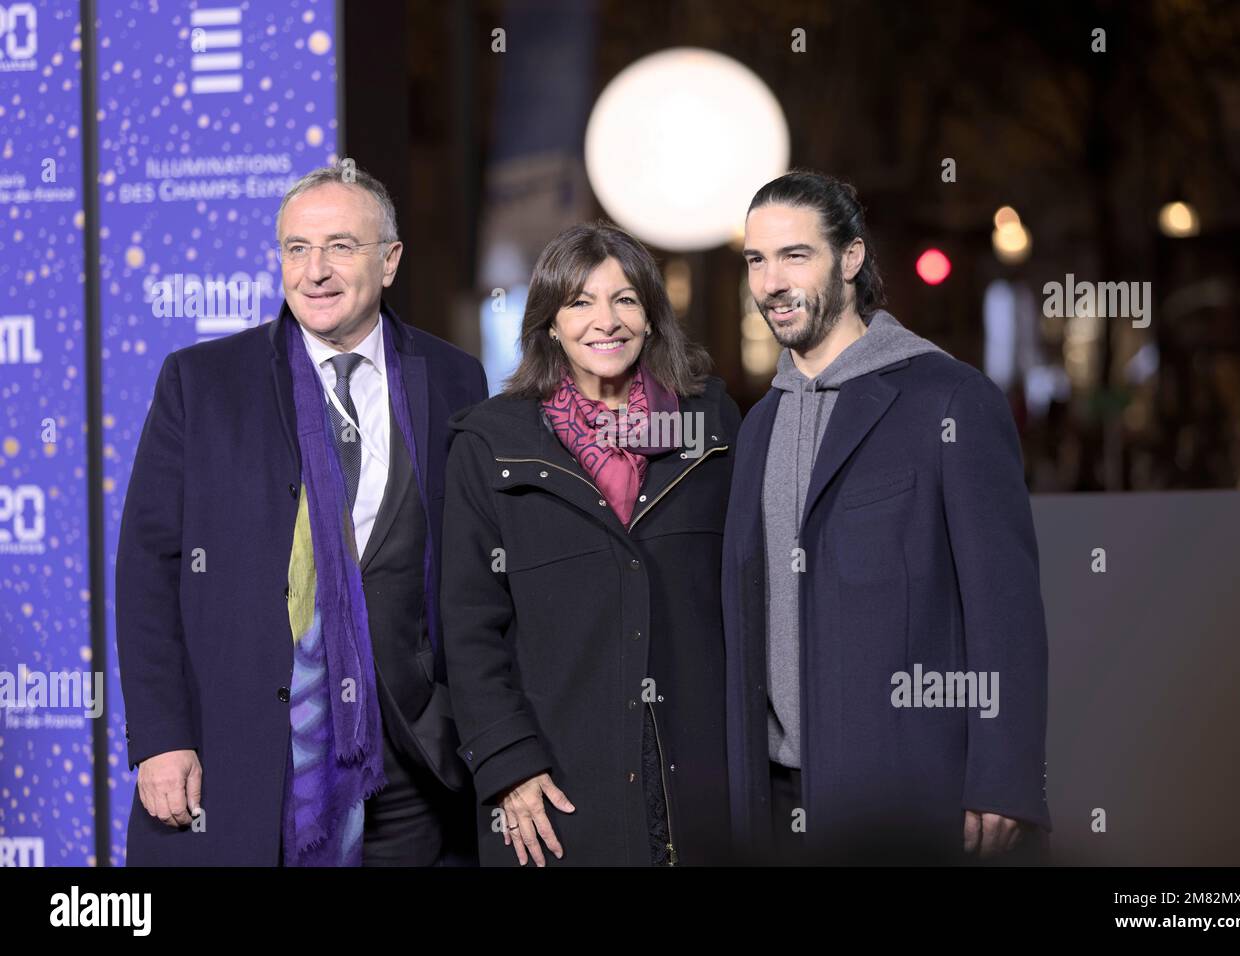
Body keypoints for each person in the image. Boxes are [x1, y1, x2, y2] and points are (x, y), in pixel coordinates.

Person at [117, 164, 487, 865]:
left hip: (410, 764)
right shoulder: (202, 383)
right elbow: (147, 570)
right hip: (242, 754)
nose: (314, 271)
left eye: (341, 246)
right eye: (296, 248)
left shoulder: (453, 377)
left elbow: (473, 562)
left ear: (390, 260)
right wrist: (163, 736)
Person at [723, 170, 1051, 865]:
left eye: (795, 255)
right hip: (776, 800)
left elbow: (1006, 608)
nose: (772, 281)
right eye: (756, 259)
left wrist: (1005, 779)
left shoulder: (949, 399)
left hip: (905, 794)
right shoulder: (758, 426)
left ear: (850, 259)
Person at [441, 222, 739, 866]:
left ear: (653, 316)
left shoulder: (710, 424)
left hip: (695, 773)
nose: (606, 321)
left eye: (626, 299)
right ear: (549, 324)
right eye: (579, 302)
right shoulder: (491, 443)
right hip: (555, 780)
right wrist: (507, 763)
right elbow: (467, 626)